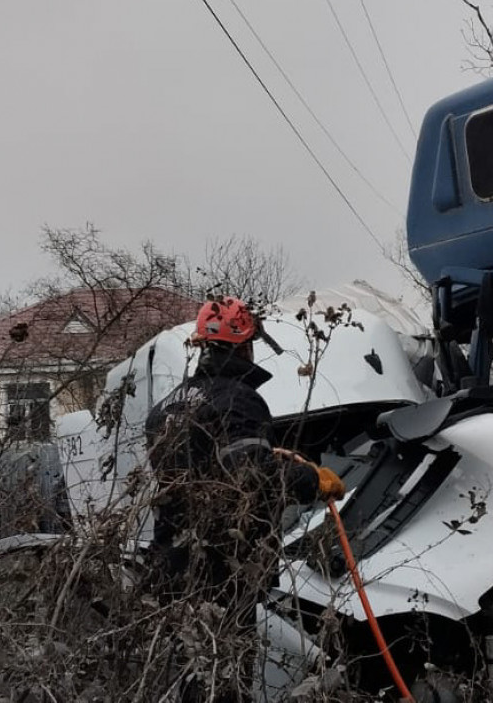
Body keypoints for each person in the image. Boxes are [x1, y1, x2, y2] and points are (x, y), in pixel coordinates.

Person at [144, 296, 346, 699]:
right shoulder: (238, 399)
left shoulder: (166, 407)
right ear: (246, 344)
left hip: (174, 562)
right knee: (225, 676)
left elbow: (208, 471)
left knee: (197, 674)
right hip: (224, 567)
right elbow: (250, 474)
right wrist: (311, 479)